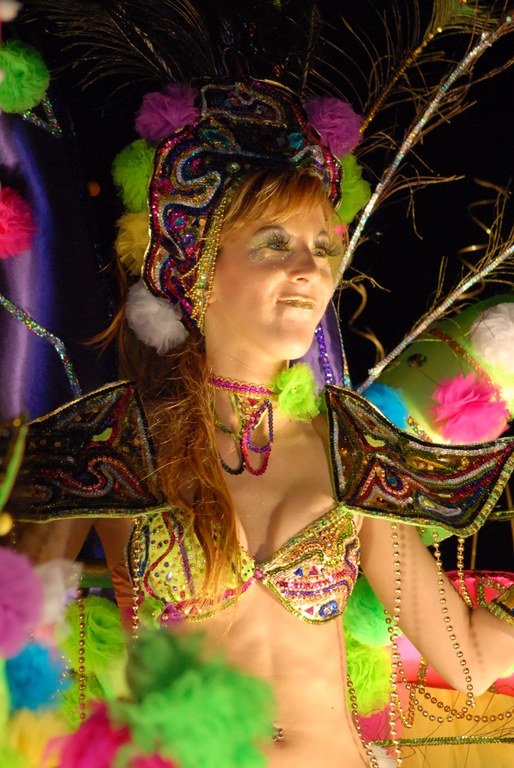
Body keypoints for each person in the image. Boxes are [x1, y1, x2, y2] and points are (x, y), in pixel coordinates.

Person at [15, 79, 511, 768]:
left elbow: (465, 655)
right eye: (276, 244)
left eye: (323, 248)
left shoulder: (349, 448)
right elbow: (13, 649)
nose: (310, 270)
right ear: (200, 266)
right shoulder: (112, 443)